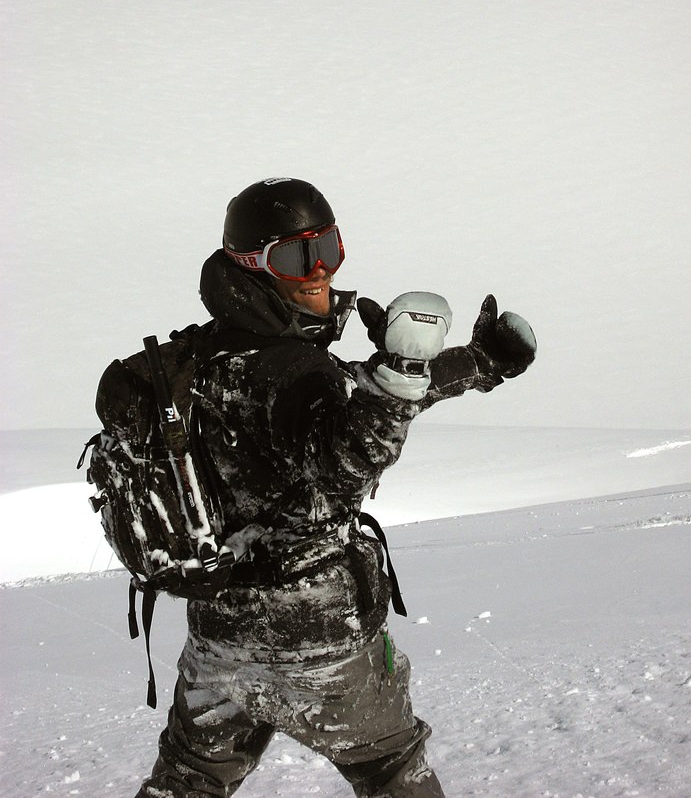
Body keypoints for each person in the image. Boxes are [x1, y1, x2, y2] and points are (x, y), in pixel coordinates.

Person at [135, 177, 536, 798]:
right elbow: (348, 465)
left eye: (328, 247)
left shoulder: (198, 364)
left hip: (219, 639)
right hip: (321, 642)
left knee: (188, 779)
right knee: (392, 768)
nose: (318, 269)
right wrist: (402, 377)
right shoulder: (295, 371)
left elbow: (352, 398)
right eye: (296, 256)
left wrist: (475, 364)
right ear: (250, 267)